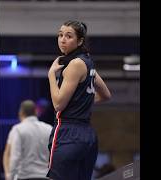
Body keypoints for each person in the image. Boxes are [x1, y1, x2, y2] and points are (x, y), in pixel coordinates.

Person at [47, 20, 112, 180]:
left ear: (80, 41)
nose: (62, 39)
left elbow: (58, 104)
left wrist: (51, 76)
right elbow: (106, 95)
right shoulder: (87, 63)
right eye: (60, 35)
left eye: (68, 36)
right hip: (88, 135)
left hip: (68, 132)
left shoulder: (75, 64)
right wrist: (81, 102)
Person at [3, 100, 52, 180]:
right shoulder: (49, 128)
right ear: (36, 112)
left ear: (20, 113)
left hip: (25, 176)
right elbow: (54, 154)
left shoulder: (18, 129)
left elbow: (15, 156)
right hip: (45, 176)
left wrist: (10, 177)